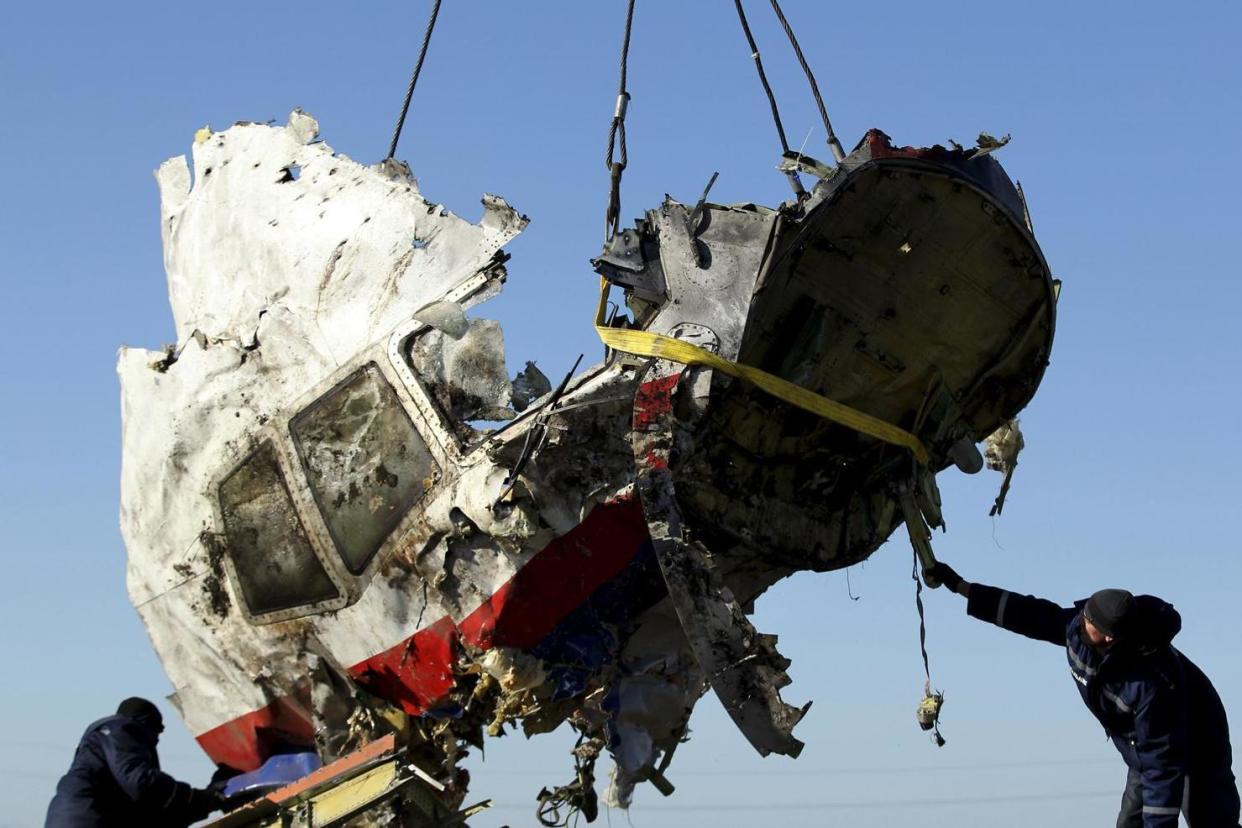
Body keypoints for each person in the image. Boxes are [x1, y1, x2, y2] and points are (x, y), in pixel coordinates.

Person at [927, 562, 1239, 827]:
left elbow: (1162, 768)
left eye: (1087, 620)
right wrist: (961, 586)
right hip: (1142, 749)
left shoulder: (1151, 683)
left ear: (1109, 637)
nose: (1079, 620)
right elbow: (1029, 614)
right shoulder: (1080, 629)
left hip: (1196, 746)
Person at [45, 697, 225, 827]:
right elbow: (141, 782)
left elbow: (152, 816)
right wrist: (198, 797)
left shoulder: (100, 753)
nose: (157, 741)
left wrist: (204, 802)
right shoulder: (122, 730)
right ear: (146, 724)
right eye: (157, 732)